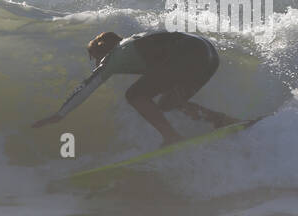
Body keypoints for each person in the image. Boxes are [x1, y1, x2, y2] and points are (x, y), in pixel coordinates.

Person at [32, 29, 239, 145]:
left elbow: (88, 85)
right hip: (208, 55)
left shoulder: (113, 56)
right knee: (169, 103)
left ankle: (171, 137)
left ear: (103, 51)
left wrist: (60, 114)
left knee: (134, 95)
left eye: (95, 58)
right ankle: (224, 121)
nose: (97, 64)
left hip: (187, 54)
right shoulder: (135, 42)